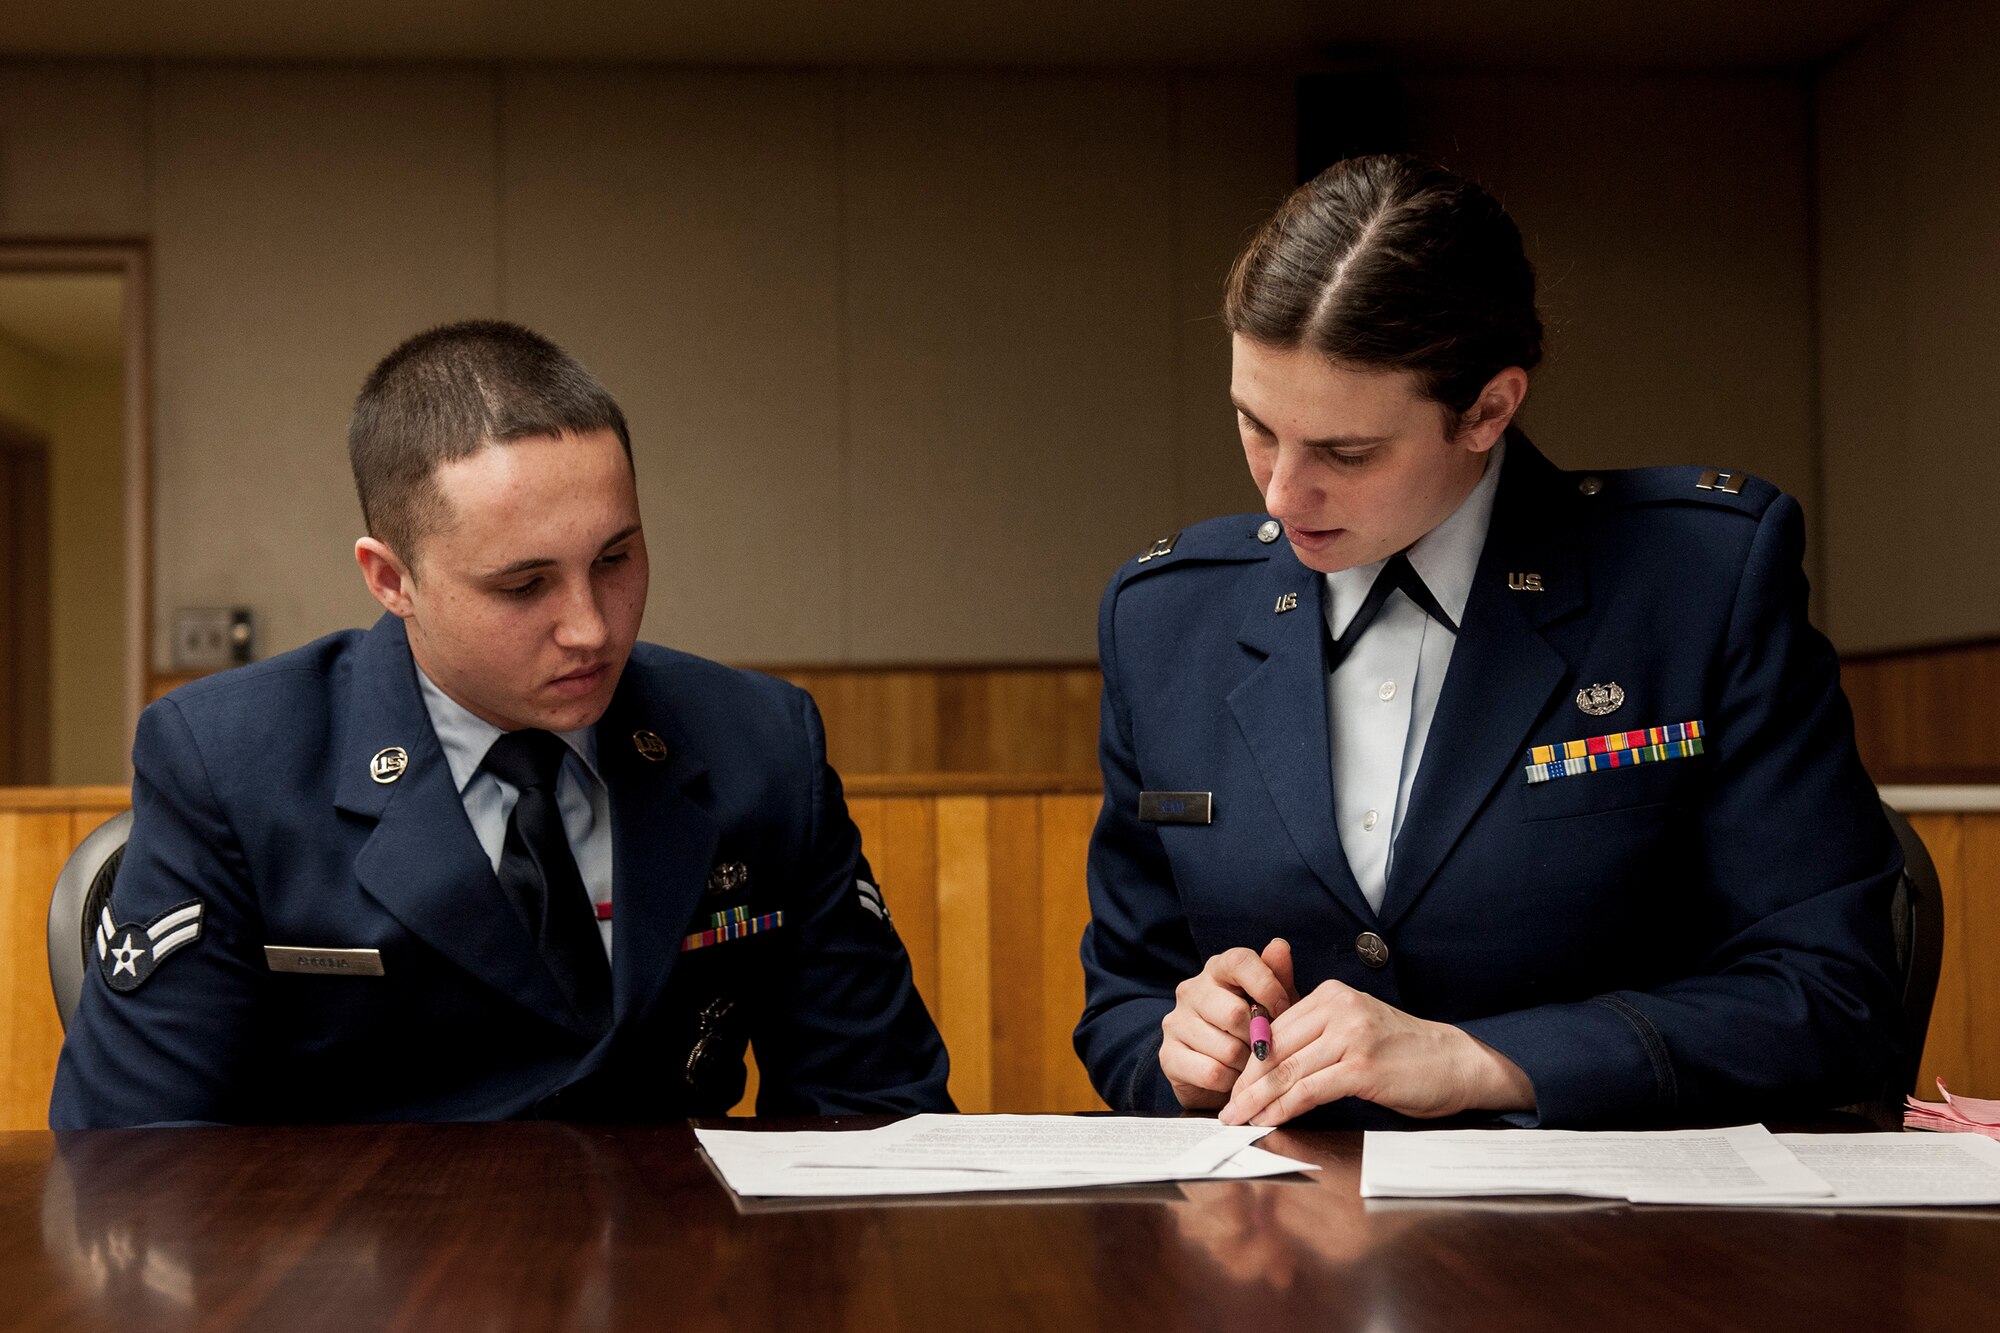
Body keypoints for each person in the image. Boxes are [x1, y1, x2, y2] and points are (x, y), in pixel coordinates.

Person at [1074, 155, 1903, 1129]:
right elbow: (1123, 1001)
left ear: (1487, 409)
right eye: (1255, 426)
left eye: (1344, 453)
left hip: (1621, 1247)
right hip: (1277, 1239)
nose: (1279, 493)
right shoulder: (1164, 618)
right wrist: (1181, 1046)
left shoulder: (1698, 581)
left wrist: (1486, 1059)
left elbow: (1830, 997)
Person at [52, 320, 951, 1127]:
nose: (592, 627)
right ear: (390, 579)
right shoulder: (234, 764)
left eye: (616, 558)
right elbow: (133, 1158)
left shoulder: (758, 743)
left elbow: (877, 1106)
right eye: (524, 586)